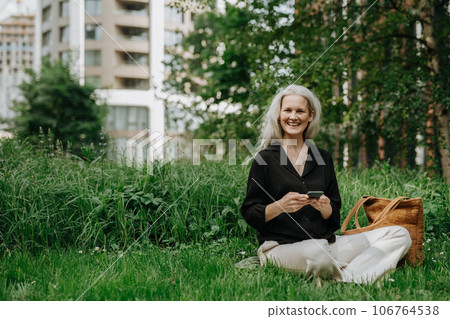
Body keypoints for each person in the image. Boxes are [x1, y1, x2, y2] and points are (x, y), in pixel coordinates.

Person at [240, 85, 412, 284]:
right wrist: (280, 207)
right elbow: (250, 212)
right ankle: (359, 273)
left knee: (399, 234)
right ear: (279, 115)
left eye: (300, 111)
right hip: (281, 248)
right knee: (317, 253)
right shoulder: (264, 159)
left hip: (327, 244)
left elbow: (334, 218)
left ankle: (344, 276)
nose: (293, 116)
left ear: (310, 115)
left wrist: (326, 209)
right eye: (287, 110)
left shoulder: (322, 157)